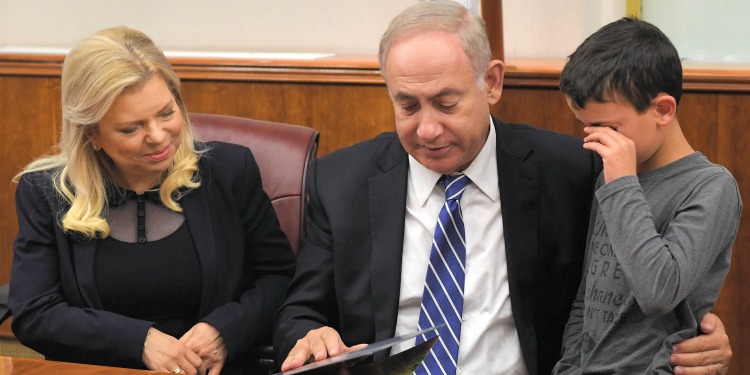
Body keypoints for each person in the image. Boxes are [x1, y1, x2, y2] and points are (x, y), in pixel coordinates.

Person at [273, 2, 733, 375]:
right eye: (407, 105)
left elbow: (633, 282)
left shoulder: (571, 170)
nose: (427, 128)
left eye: (446, 103)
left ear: (491, 82)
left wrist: (699, 331)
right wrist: (308, 337)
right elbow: (298, 314)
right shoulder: (341, 181)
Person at [8, 26, 296, 375]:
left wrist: (226, 330)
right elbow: (35, 313)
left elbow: (279, 276)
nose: (159, 137)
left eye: (166, 113)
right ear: (92, 134)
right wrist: (138, 340)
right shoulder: (47, 191)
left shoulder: (230, 171)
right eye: (131, 129)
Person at [551, 18, 742, 374]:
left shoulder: (711, 187)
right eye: (587, 127)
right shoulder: (612, 179)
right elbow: (588, 294)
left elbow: (658, 292)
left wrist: (622, 183)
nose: (595, 143)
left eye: (609, 128)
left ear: (663, 110)